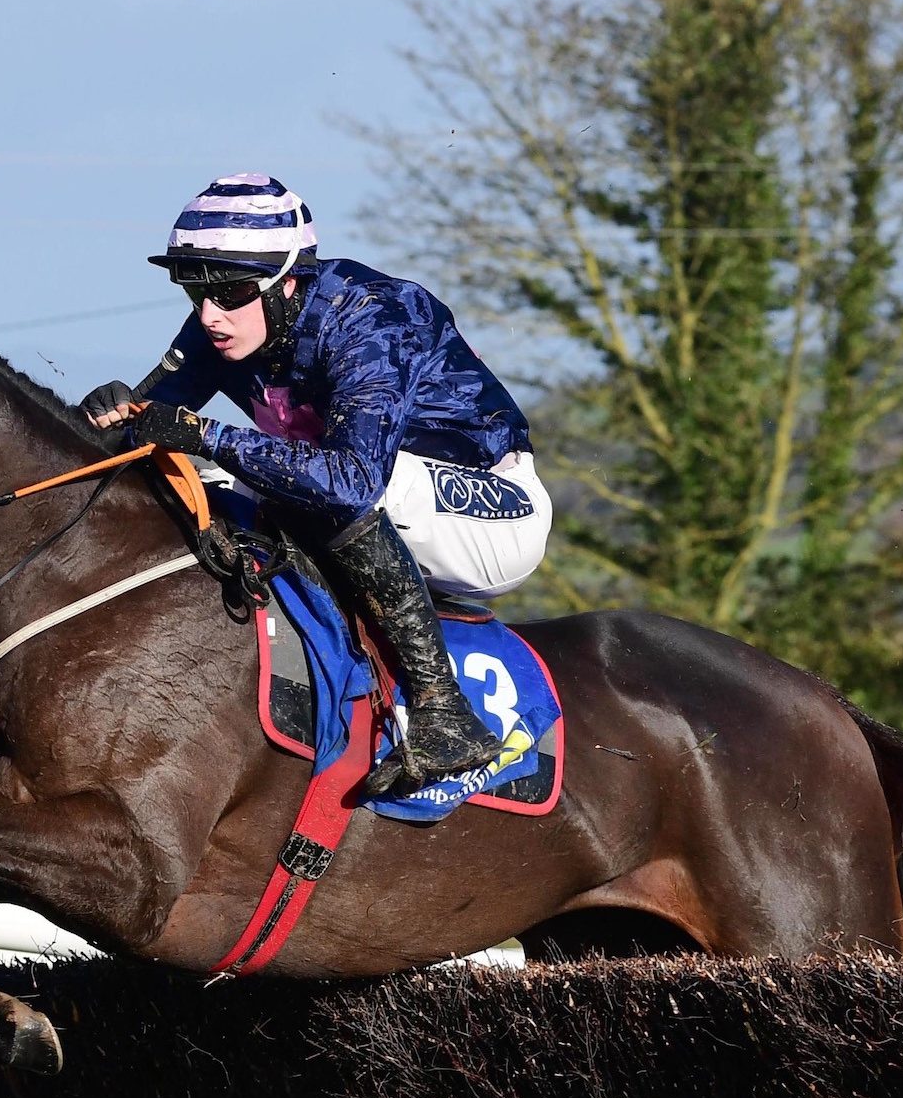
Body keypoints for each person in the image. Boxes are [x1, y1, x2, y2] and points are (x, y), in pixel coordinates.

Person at [82, 173, 551, 795]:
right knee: (193, 478)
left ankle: (445, 713)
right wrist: (109, 413)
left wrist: (206, 434)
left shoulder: (372, 319)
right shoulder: (220, 325)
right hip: (374, 502)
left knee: (329, 483)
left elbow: (352, 481)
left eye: (229, 292)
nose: (210, 314)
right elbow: (149, 428)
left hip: (491, 511)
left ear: (289, 281)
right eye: (195, 290)